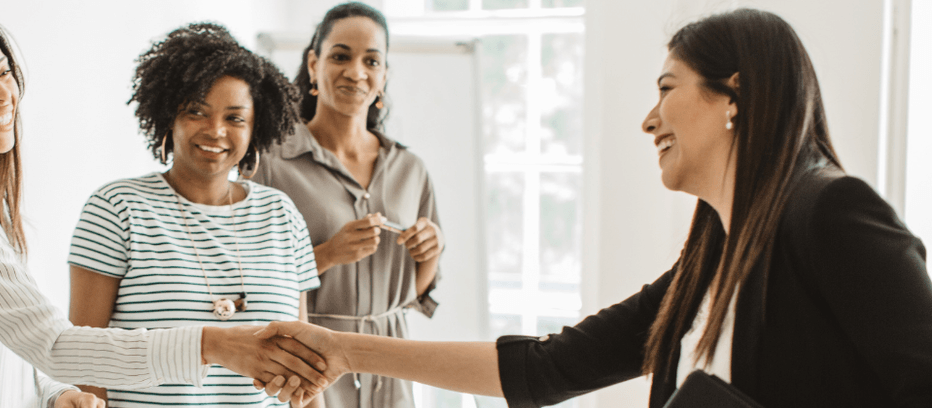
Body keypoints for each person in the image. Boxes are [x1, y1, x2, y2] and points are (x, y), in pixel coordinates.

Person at [254, 8, 932, 408]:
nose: (648, 119)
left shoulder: (835, 213)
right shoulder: (714, 256)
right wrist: (341, 350)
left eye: (667, 88)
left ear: (735, 96)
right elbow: (549, 367)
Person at [0, 7, 329, 408]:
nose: (3, 94)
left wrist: (55, 393)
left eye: (4, 71)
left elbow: (5, 338)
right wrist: (215, 344)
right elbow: (54, 342)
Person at [67, 23, 319, 408]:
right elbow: (84, 357)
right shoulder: (117, 208)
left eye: (235, 118)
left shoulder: (281, 215)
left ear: (256, 127)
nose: (215, 130)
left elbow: (305, 366)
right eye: (196, 111)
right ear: (170, 115)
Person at [248, 3, 443, 408]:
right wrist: (326, 255)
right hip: (305, 364)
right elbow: (246, 284)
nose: (356, 72)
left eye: (371, 60)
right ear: (314, 63)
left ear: (383, 76)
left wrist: (430, 255)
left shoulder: (411, 168)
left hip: (393, 366)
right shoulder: (269, 163)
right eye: (341, 56)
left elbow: (415, 295)